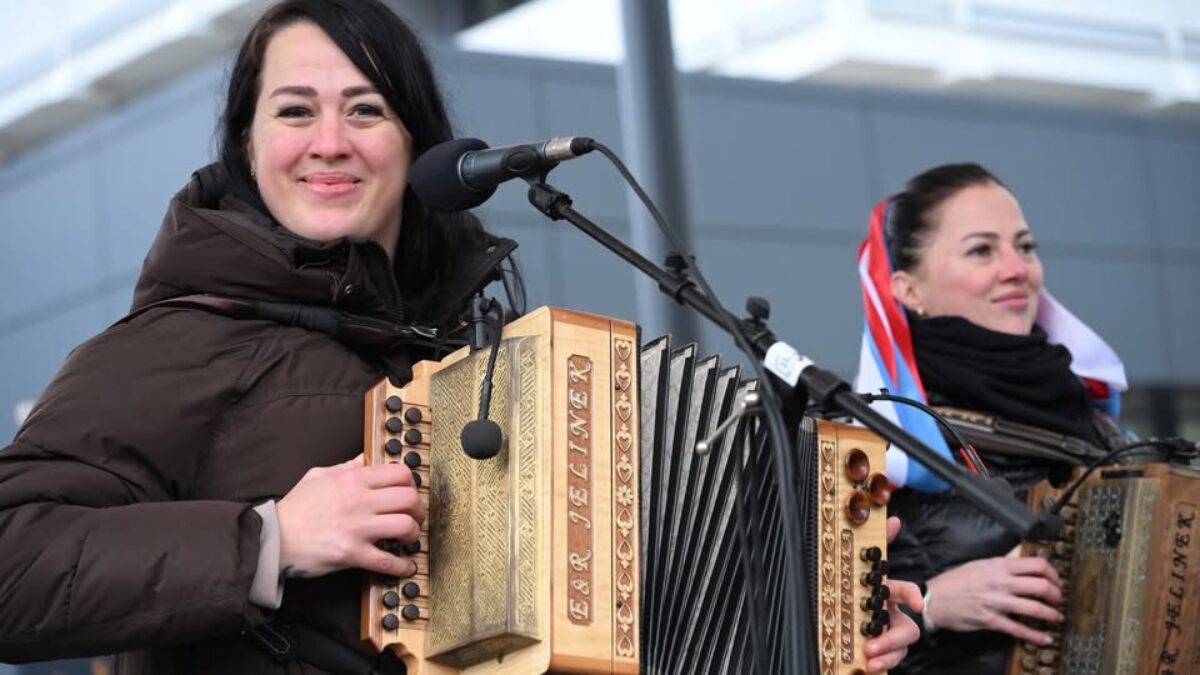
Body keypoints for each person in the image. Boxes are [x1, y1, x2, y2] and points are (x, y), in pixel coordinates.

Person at [0, 1, 515, 672]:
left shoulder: (475, 354)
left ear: (416, 144)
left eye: (365, 110)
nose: (329, 141)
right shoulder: (174, 340)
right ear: (247, 144)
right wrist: (271, 540)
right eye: (295, 111)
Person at [854, 162, 1128, 675]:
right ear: (908, 290)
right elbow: (812, 640)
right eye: (982, 250)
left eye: (1025, 247)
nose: (1017, 268)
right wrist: (932, 605)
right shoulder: (876, 444)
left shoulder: (1098, 423)